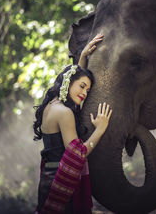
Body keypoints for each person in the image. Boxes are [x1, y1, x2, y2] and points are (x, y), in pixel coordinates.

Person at [33, 34, 111, 214]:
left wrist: (83, 57)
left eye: (88, 90)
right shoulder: (65, 113)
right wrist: (100, 129)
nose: (84, 93)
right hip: (61, 184)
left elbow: (74, 80)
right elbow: (77, 155)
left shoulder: (53, 104)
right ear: (69, 83)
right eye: (82, 86)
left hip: (49, 179)